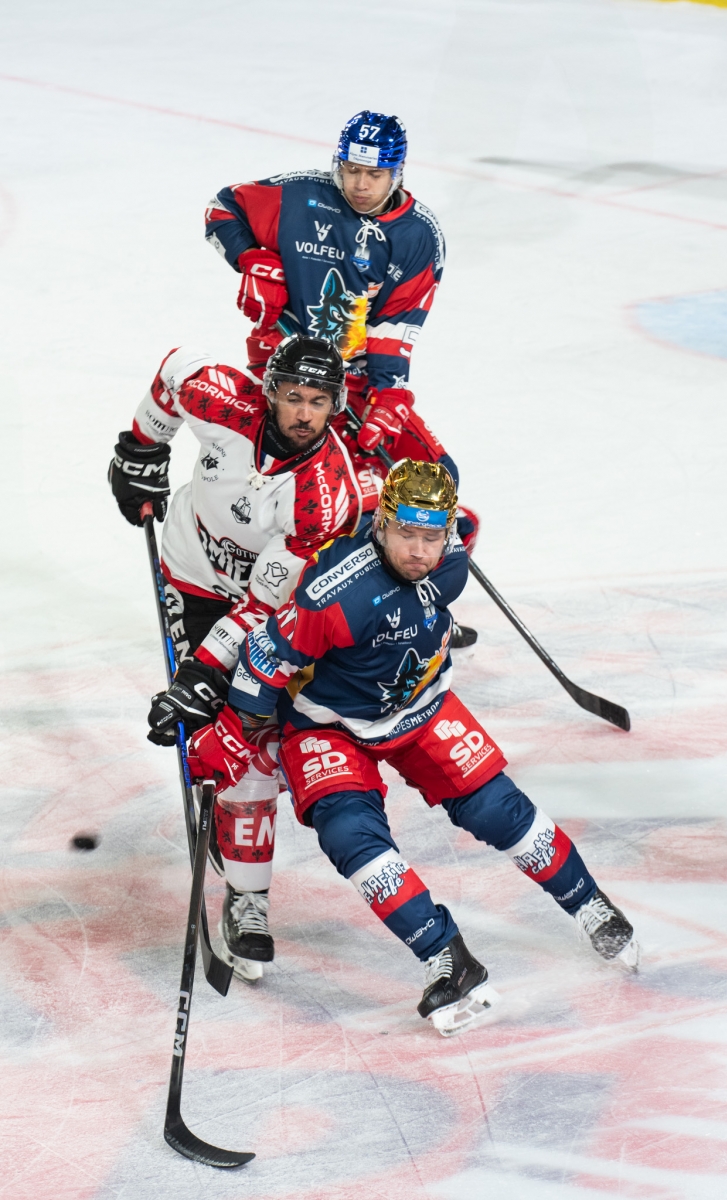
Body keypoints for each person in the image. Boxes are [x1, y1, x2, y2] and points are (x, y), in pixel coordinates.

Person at [186, 459, 639, 1035]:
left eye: (432, 536)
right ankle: (446, 956)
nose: (419, 551)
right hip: (327, 723)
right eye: (406, 534)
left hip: (421, 706)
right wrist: (232, 731)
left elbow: (458, 520)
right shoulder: (334, 595)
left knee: (498, 808)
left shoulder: (452, 558)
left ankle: (589, 902)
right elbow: (261, 664)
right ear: (381, 526)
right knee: (348, 833)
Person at [108, 334, 362, 980]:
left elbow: (262, 605)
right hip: (190, 574)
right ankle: (234, 855)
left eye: (319, 401)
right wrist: (143, 444)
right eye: (293, 397)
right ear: (269, 391)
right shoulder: (221, 397)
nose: (305, 414)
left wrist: (203, 671)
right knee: (209, 733)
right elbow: (172, 371)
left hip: (267, 612)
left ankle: (246, 895)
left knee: (252, 739)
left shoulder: (326, 495)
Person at [204, 110, 480, 646]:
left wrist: (389, 391)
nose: (359, 184)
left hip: (353, 382)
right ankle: (312, 610)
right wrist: (253, 260)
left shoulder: (418, 235)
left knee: (436, 479)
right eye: (351, 170)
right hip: (286, 377)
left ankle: (407, 605)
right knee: (332, 498)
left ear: (397, 174)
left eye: (373, 175)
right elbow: (222, 208)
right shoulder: (300, 198)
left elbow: (397, 324)